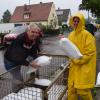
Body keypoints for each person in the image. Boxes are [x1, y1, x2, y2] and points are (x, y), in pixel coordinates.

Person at [63, 12, 96, 100]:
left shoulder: (87, 35)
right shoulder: (71, 35)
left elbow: (90, 53)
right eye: (74, 21)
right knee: (71, 90)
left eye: (78, 21)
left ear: (81, 22)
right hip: (74, 68)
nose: (76, 23)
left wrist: (77, 60)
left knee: (83, 91)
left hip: (83, 68)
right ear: (72, 22)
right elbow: (69, 49)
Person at [4, 23, 43, 91]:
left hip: (21, 57)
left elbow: (34, 50)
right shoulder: (20, 39)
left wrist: (37, 59)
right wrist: (29, 63)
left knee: (34, 62)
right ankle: (16, 93)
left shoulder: (35, 38)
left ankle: (32, 79)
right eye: (32, 32)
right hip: (10, 60)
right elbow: (16, 57)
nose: (35, 34)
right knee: (18, 78)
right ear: (27, 31)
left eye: (36, 32)